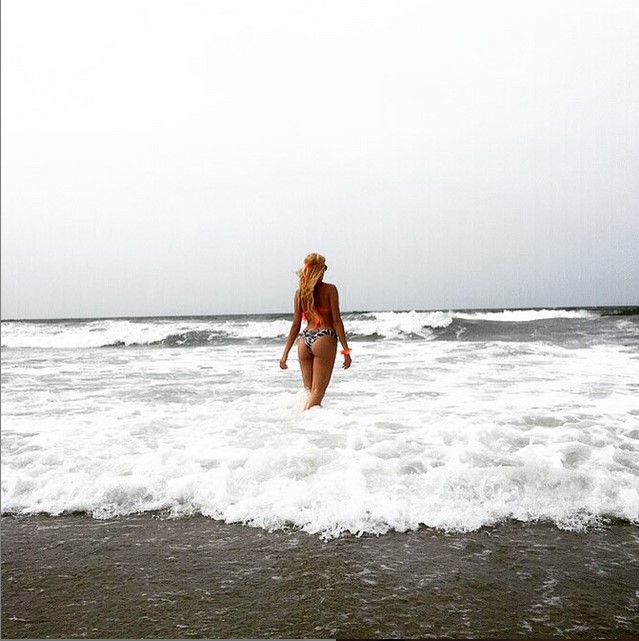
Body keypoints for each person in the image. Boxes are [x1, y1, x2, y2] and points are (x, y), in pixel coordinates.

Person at [280, 253, 351, 409]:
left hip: (304, 340)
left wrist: (285, 354)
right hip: (324, 337)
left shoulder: (300, 293)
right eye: (324, 268)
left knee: (309, 393)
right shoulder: (330, 289)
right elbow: (336, 321)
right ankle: (304, 418)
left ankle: (303, 421)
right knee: (317, 393)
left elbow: (295, 325)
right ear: (319, 270)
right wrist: (346, 351)